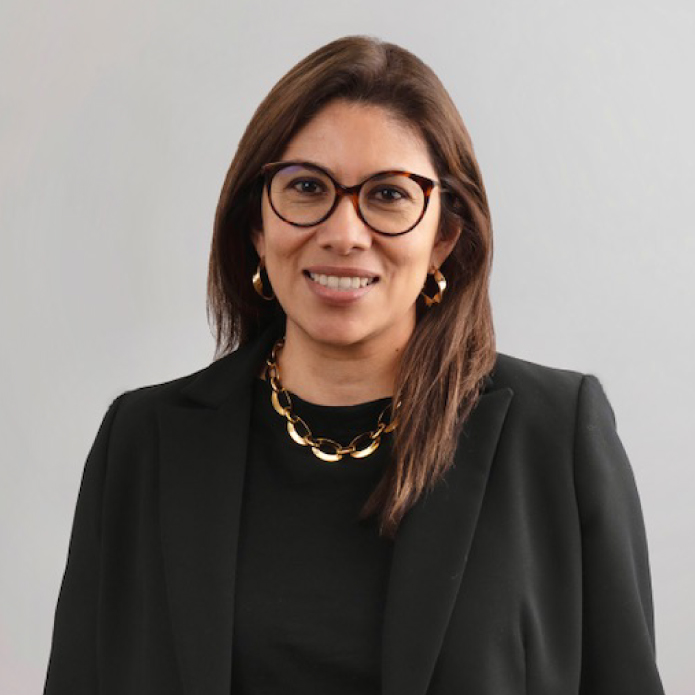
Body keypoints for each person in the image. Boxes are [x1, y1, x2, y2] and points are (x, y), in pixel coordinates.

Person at [43, 35, 665, 695]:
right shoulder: (143, 441)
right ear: (257, 225)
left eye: (388, 194)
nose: (344, 234)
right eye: (307, 187)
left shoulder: (555, 437)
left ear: (444, 236)